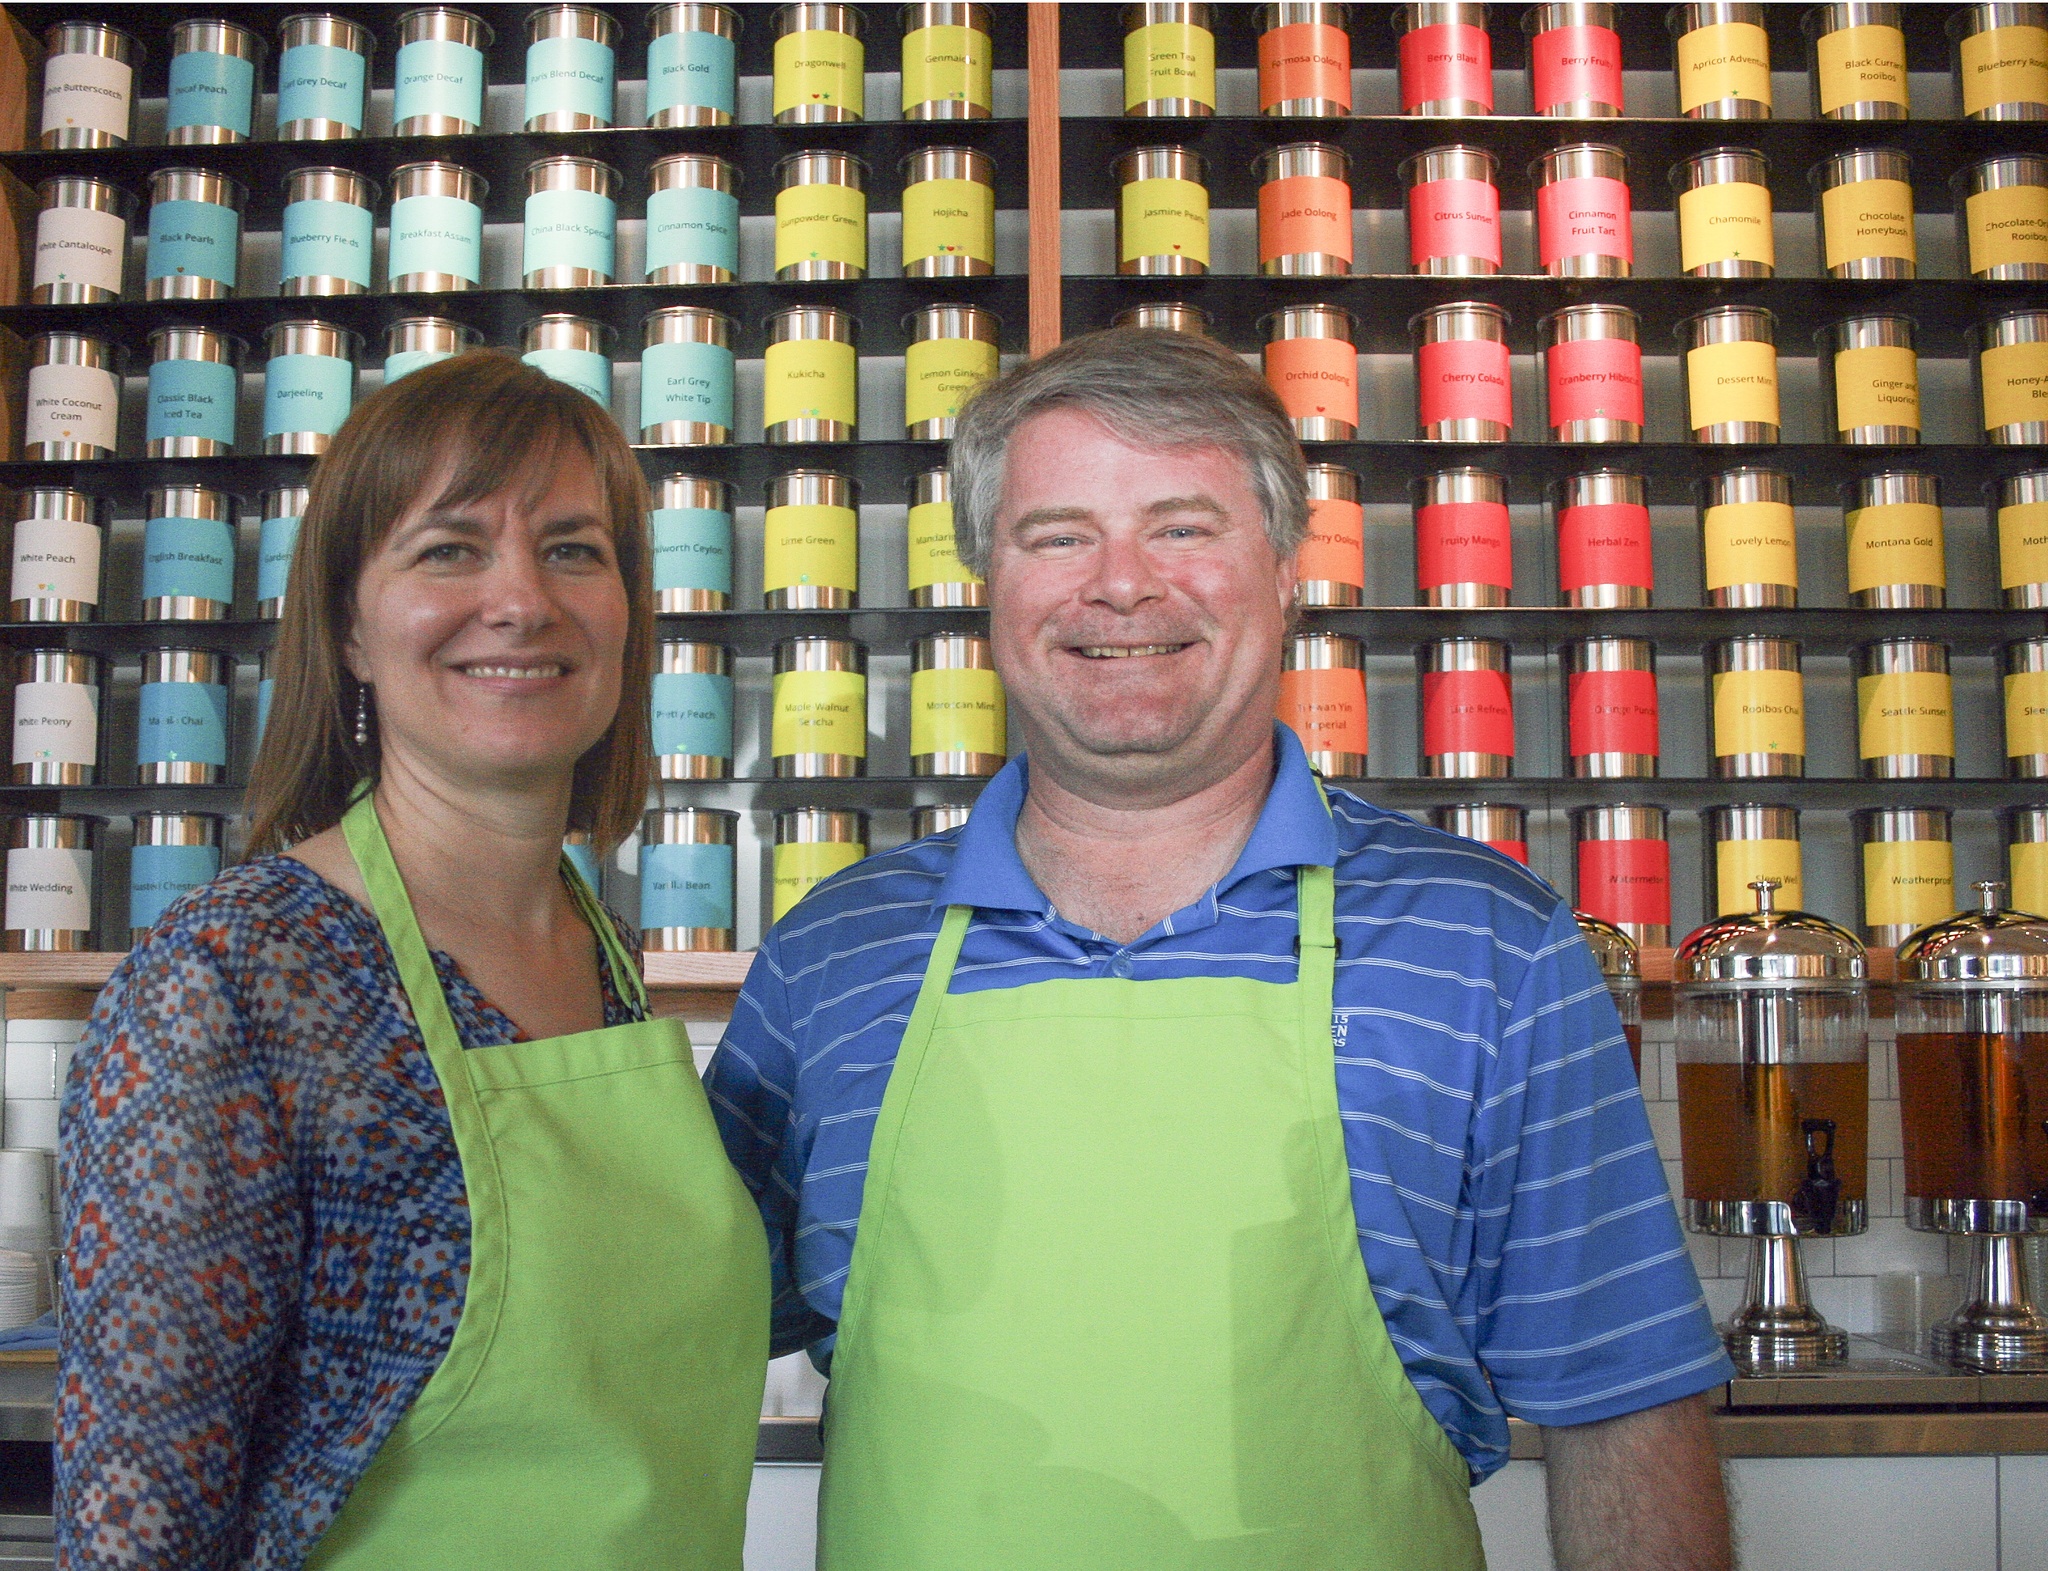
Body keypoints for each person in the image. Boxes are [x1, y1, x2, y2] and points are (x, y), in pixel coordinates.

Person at [708, 329, 1736, 1571]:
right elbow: (670, 1337)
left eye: (1183, 526)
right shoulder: (831, 953)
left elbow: (1621, 1402)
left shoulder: (1489, 944)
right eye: (1057, 534)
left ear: (1288, 571)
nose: (1123, 584)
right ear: (986, 578)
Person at [58, 352, 768, 1570]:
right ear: (347, 622)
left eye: (573, 549)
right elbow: (136, 1532)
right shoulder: (238, 975)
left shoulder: (598, 949)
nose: (521, 599)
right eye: (448, 548)